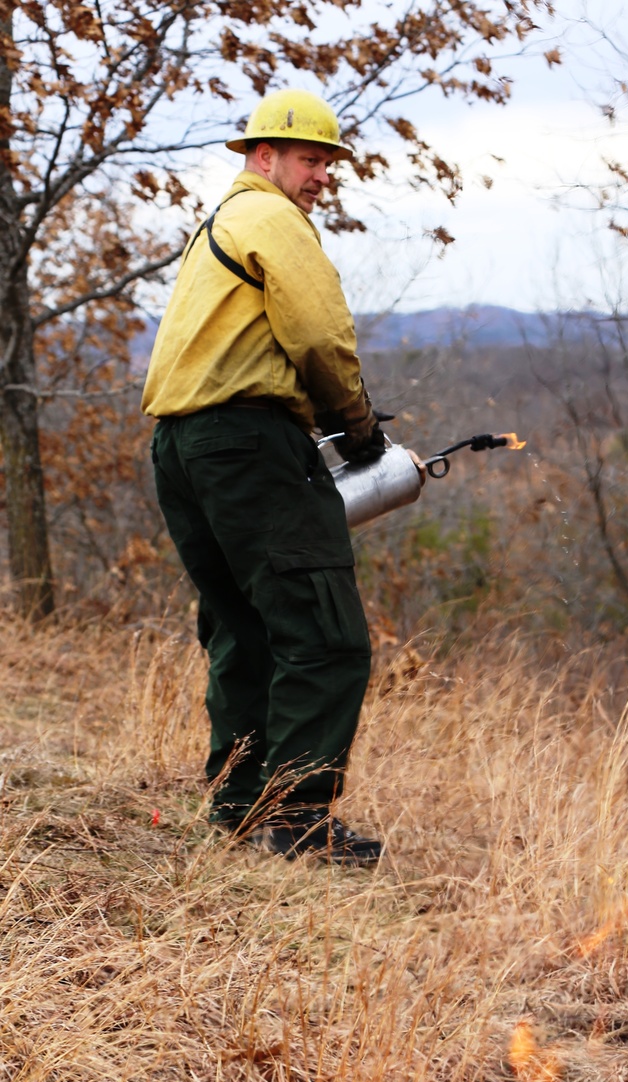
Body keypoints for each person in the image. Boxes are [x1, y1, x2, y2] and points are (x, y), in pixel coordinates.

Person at [142, 88, 398, 866]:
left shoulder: (217, 225)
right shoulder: (273, 220)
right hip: (248, 443)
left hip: (180, 449)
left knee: (244, 628)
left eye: (327, 162)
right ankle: (297, 821)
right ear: (264, 157)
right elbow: (320, 335)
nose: (322, 176)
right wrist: (357, 428)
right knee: (326, 635)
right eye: (309, 159)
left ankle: (237, 807)